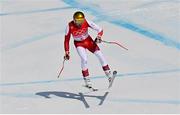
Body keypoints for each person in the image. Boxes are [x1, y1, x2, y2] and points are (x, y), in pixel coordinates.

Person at [64, 11, 113, 89]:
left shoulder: (86, 22)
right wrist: (67, 52)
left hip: (88, 41)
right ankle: (87, 79)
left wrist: (99, 37)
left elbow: (100, 29)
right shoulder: (69, 26)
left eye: (81, 21)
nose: (80, 23)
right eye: (78, 21)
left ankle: (108, 74)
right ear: (74, 20)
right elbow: (66, 40)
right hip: (79, 44)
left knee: (100, 55)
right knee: (84, 59)